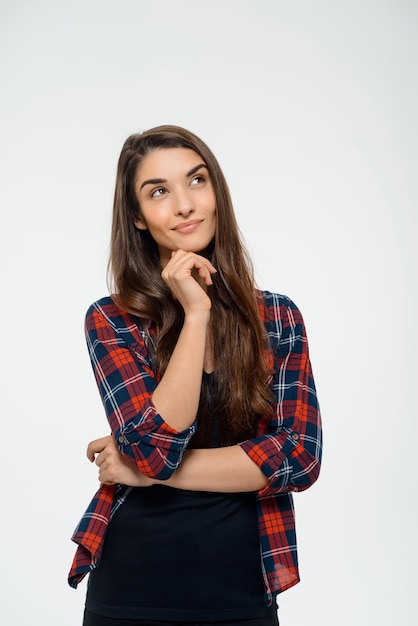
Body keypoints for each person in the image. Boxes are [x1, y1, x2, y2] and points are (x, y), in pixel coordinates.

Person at [68, 125, 322, 626]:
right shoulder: (112, 319)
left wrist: (144, 472)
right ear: (138, 218)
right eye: (158, 192)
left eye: (196, 181)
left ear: (216, 192)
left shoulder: (277, 318)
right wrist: (196, 315)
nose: (184, 205)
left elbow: (298, 458)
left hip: (243, 591)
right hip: (131, 593)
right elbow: (155, 446)